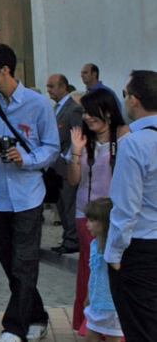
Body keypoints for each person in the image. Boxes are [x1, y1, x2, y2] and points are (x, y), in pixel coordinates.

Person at [0, 44, 58, 342]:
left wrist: (27, 159)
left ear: (4, 70)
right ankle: (37, 315)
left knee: (24, 262)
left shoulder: (38, 104)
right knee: (10, 264)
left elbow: (52, 147)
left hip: (28, 195)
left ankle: (13, 329)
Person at [65, 88, 129, 332]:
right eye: (85, 113)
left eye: (93, 112)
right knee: (89, 269)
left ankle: (116, 326)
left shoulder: (124, 137)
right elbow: (73, 180)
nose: (88, 117)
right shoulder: (83, 139)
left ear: (109, 112)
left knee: (114, 268)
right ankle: (88, 325)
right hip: (87, 215)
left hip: (115, 215)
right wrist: (76, 150)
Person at [106, 69, 157, 341]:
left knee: (141, 329)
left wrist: (113, 254)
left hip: (140, 247)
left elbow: (126, 208)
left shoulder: (134, 143)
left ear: (134, 100)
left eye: (124, 95)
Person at [47, 73, 84, 255]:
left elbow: (76, 135)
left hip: (66, 164)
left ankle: (72, 239)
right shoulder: (56, 108)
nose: (49, 90)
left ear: (63, 87)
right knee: (61, 203)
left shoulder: (73, 109)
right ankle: (67, 236)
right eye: (47, 86)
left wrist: (66, 157)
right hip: (56, 166)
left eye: (52, 86)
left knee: (69, 202)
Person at [82, 198, 123, 342]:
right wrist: (88, 296)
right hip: (96, 302)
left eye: (92, 220)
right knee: (90, 338)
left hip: (113, 305)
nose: (87, 224)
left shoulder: (116, 248)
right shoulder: (94, 244)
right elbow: (94, 273)